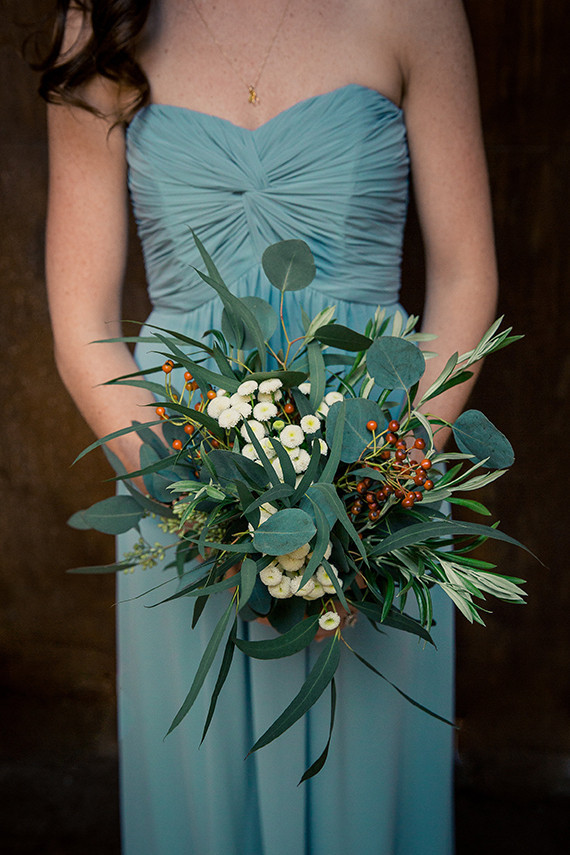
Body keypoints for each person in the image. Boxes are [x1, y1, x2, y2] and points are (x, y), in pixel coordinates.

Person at [39, 1, 498, 852]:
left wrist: (376, 498)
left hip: (380, 463)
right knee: (205, 799)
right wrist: (197, 506)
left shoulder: (416, 9)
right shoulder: (103, 21)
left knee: (366, 788)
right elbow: (83, 319)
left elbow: (468, 277)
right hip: (179, 464)